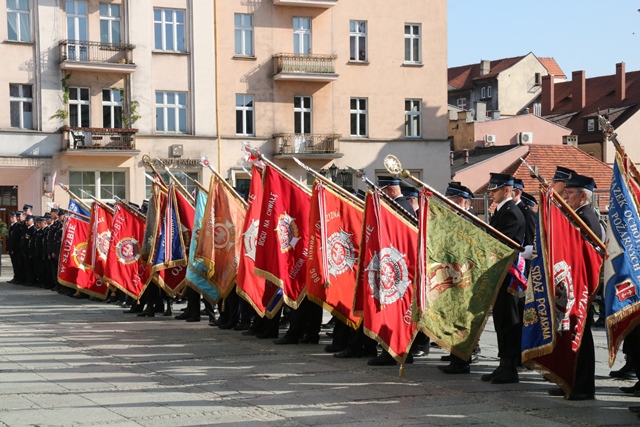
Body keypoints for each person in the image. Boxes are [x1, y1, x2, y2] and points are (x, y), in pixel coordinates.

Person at [547, 173, 603, 401]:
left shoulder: (586, 218)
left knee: (581, 337)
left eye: (570, 193)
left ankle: (583, 386)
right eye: (566, 192)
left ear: (583, 196)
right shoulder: (576, 215)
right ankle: (570, 381)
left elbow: (584, 255)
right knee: (571, 335)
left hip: (582, 286)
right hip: (573, 284)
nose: (566, 196)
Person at [480, 173, 525, 384]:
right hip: (500, 273)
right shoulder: (502, 211)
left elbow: (499, 244)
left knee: (509, 320)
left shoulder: (512, 213)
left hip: (509, 275)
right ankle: (503, 363)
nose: (491, 194)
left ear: (506, 190)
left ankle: (511, 366)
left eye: (494, 190)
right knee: (500, 319)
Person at [438, 181, 481, 374]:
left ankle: (462, 360)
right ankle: (455, 353)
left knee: (462, 319)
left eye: (452, 200)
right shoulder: (455, 219)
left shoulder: (470, 220)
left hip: (465, 278)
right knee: (453, 317)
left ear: (463, 201)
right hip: (453, 275)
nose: (448, 204)